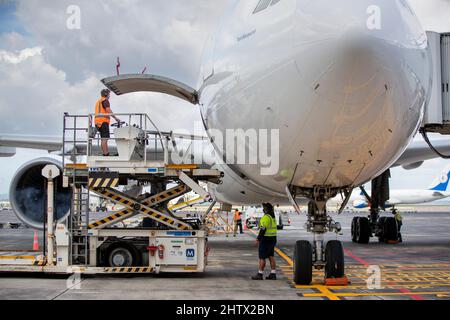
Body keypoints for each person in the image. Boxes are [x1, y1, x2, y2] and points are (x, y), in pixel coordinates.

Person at [252, 202, 277, 280]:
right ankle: (273, 273)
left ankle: (260, 274)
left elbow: (263, 229)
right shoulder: (273, 217)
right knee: (271, 256)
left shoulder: (266, 217)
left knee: (262, 257)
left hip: (265, 239)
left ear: (265, 210)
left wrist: (258, 239)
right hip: (273, 238)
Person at [94, 89, 121, 156]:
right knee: (105, 139)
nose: (109, 96)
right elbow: (108, 109)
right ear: (106, 94)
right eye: (109, 94)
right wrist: (115, 118)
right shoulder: (105, 101)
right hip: (103, 122)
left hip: (98, 122)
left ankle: (105, 153)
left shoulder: (99, 101)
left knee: (103, 139)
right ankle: (106, 154)